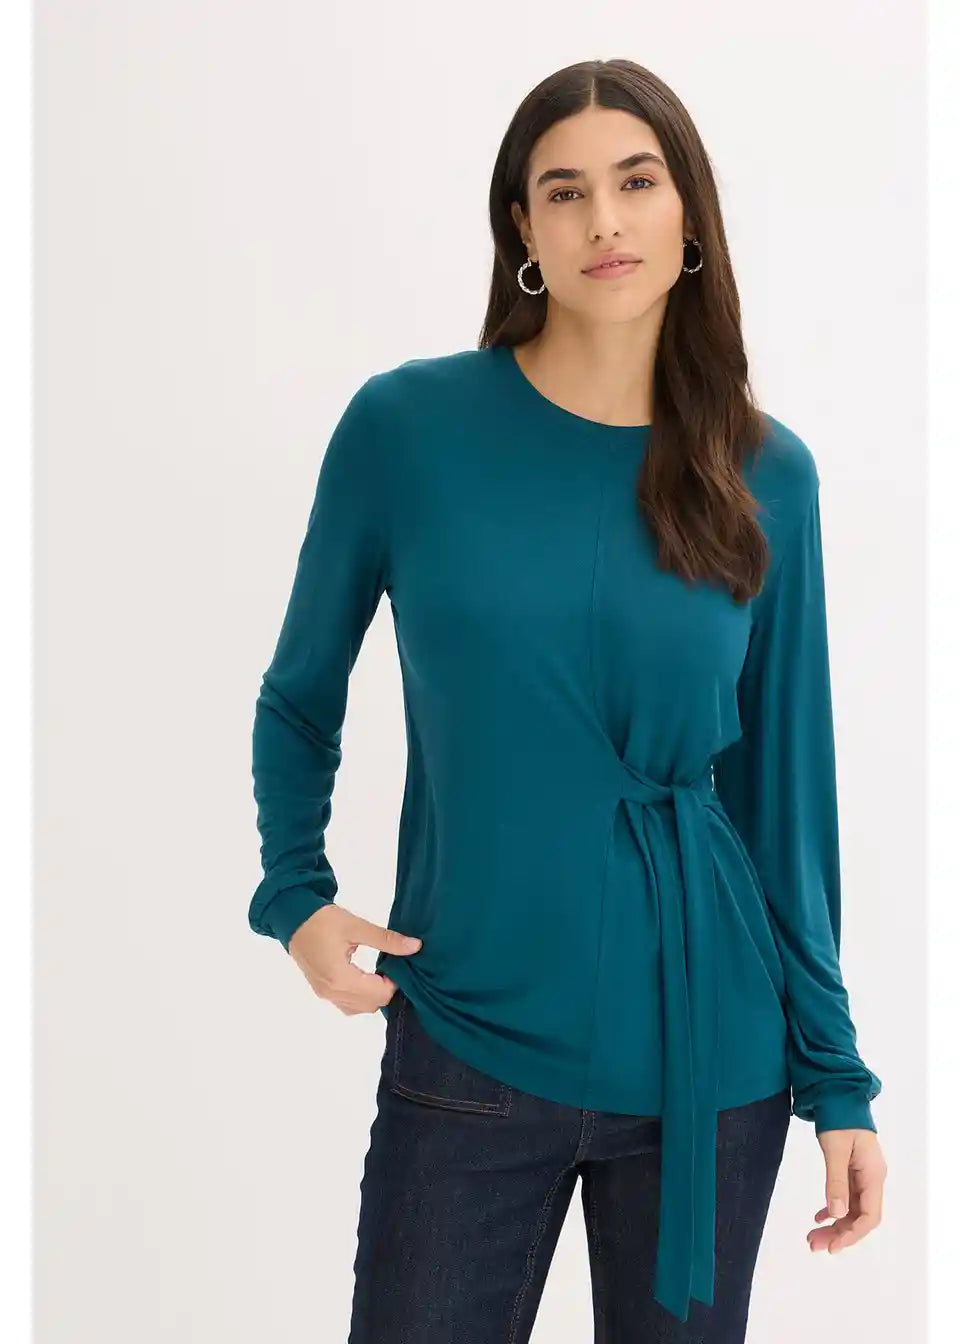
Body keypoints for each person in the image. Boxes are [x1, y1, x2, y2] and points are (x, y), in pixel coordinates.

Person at [249, 58, 887, 1343]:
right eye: (565, 191)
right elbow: (300, 693)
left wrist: (838, 1078)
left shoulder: (768, 474)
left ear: (688, 215)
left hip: (710, 1067)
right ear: (523, 231)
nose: (604, 219)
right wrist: (295, 895)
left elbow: (786, 802)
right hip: (467, 1039)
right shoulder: (408, 429)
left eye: (637, 182)